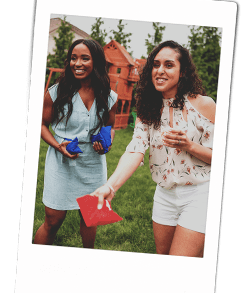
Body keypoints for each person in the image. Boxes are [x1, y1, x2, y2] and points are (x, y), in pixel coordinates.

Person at [91, 40, 216, 257]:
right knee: (162, 259)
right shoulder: (148, 108)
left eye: (169, 65)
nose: (160, 70)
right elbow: (135, 149)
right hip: (164, 195)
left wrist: (189, 146)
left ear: (183, 71)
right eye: (156, 64)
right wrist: (110, 187)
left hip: (199, 194)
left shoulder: (204, 105)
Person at [34, 39, 118, 247]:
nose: (77, 63)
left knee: (90, 220)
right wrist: (57, 145)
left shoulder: (109, 96)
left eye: (84, 58)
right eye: (73, 58)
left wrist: (105, 142)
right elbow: (42, 124)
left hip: (93, 165)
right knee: (53, 220)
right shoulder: (56, 92)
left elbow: (110, 127)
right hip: (62, 163)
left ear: (96, 61)